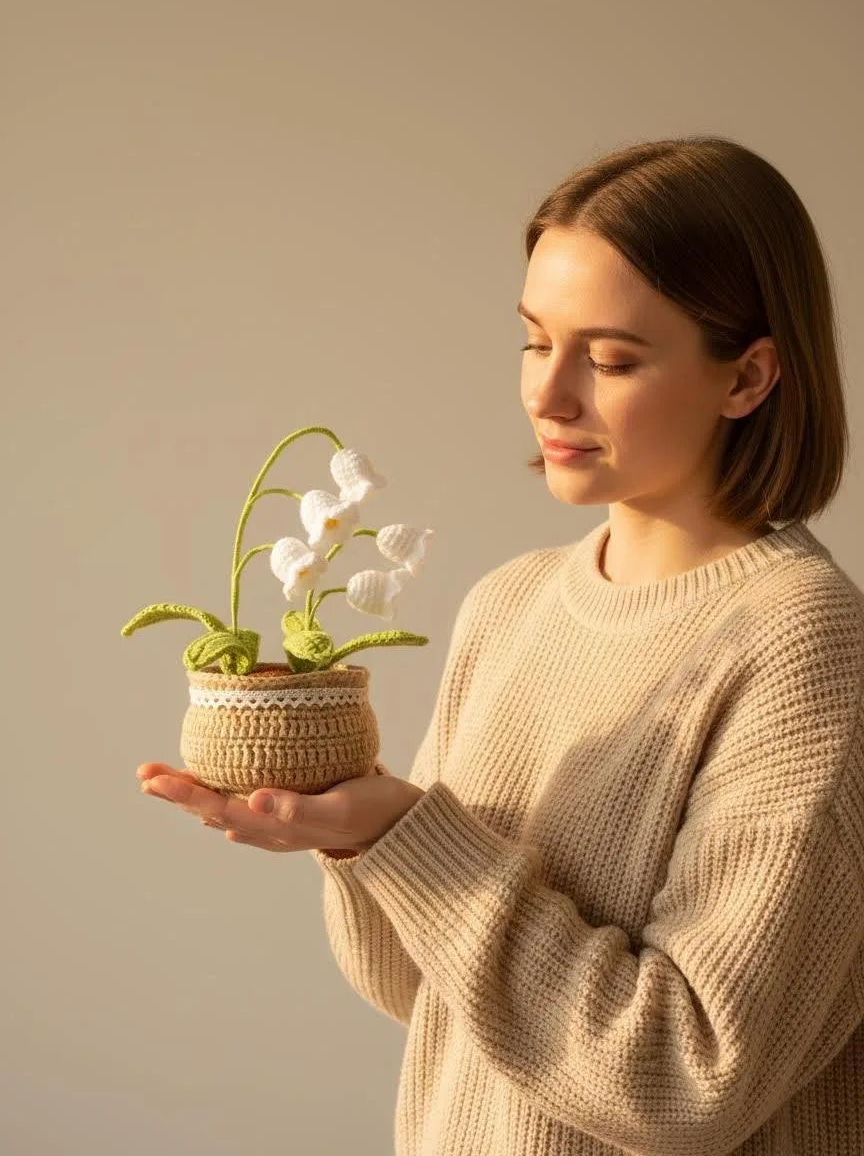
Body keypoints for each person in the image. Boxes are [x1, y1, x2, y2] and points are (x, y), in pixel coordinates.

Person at [139, 135, 864, 1155]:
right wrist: (355, 833)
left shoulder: (804, 645)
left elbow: (683, 1079)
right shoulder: (513, 602)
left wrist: (410, 836)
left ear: (747, 377)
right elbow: (426, 993)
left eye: (611, 357)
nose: (549, 394)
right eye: (535, 340)